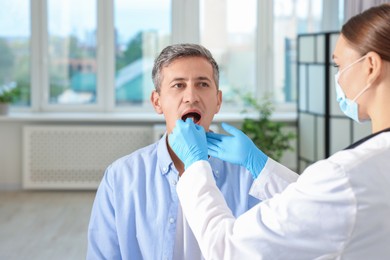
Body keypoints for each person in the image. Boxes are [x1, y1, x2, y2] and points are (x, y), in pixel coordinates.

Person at [169, 4, 390, 260]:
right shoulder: (358, 173)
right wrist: (260, 166)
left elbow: (228, 249)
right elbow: (325, 211)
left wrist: (196, 166)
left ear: (371, 66)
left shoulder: (345, 175)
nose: (338, 79)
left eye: (339, 66)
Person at [87, 43, 284, 259]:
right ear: (157, 101)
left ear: (218, 101)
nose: (191, 96)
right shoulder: (120, 178)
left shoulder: (250, 179)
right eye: (178, 85)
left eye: (202, 84)